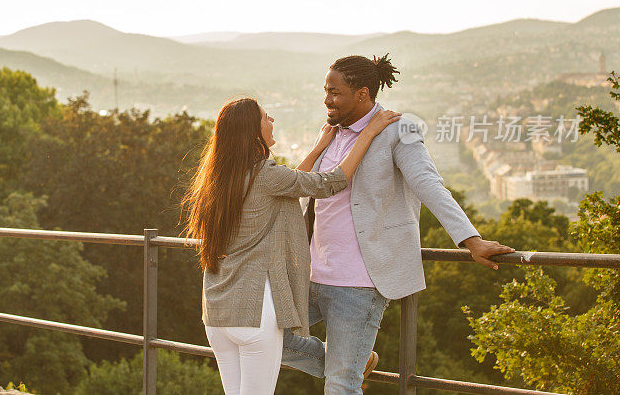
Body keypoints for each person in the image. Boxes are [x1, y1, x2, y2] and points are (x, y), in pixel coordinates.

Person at [281, 54, 515, 394]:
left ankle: (345, 368)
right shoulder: (331, 132)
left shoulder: (399, 130)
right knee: (264, 334)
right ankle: (349, 363)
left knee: (340, 386)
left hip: (359, 282)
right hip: (311, 272)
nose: (327, 99)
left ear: (362, 94)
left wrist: (470, 239)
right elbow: (304, 188)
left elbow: (429, 184)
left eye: (335, 92)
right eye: (325, 90)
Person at [183, 97, 400, 395]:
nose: (272, 120)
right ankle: (347, 363)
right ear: (252, 131)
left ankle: (346, 363)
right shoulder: (265, 175)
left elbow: (291, 183)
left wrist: (319, 147)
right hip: (255, 313)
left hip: (217, 314)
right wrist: (367, 134)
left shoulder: (217, 178)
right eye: (266, 117)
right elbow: (331, 182)